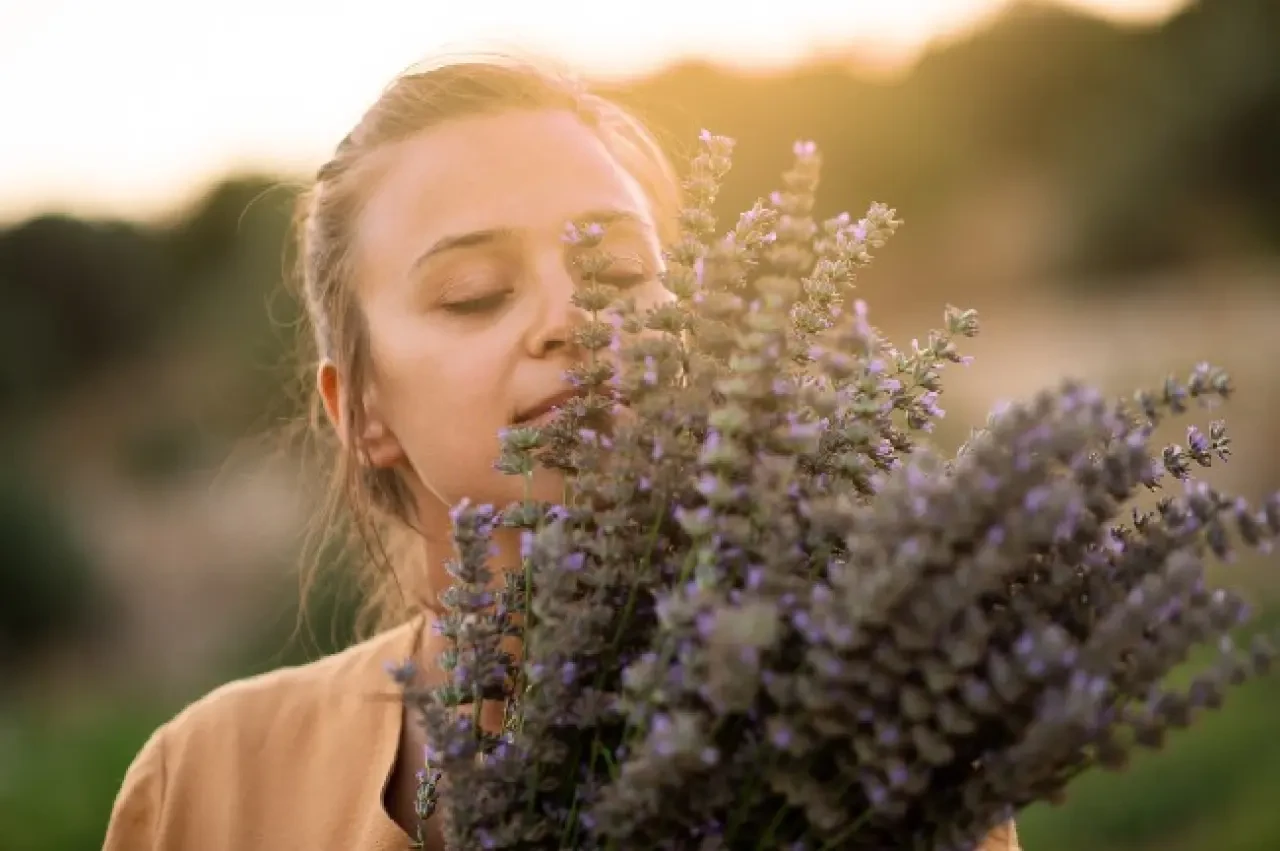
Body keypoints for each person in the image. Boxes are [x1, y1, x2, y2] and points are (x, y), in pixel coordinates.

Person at [101, 54, 1021, 851]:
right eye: (474, 293)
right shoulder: (207, 785)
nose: (574, 319)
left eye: (620, 275)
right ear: (361, 410)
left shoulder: (868, 733)